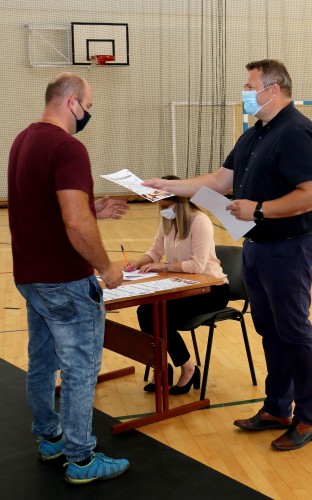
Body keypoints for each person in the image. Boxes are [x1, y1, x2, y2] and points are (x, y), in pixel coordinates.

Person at [142, 59, 312, 450]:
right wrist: (169, 186)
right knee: (270, 330)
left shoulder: (297, 133)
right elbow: (219, 180)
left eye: (249, 85)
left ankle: (308, 418)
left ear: (273, 89)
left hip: (290, 248)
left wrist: (260, 209)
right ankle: (277, 407)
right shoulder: (254, 134)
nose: (244, 92)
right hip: (257, 246)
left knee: (293, 332)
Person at [8, 72, 130, 484]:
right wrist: (107, 267)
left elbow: (42, 205)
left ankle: (50, 438)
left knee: (42, 363)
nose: (88, 114)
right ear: (72, 102)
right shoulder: (68, 147)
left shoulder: (23, 140)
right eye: (88, 106)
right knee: (79, 370)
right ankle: (80, 458)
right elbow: (74, 224)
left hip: (32, 277)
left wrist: (90, 208)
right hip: (65, 281)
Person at [128, 176, 229, 395]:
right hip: (183, 286)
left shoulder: (199, 220)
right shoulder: (167, 219)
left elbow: (197, 265)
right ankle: (162, 368)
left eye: (163, 204)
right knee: (146, 312)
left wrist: (163, 267)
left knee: (158, 313)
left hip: (211, 289)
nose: (160, 209)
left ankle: (187, 367)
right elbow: (155, 250)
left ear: (175, 200)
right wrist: (138, 262)